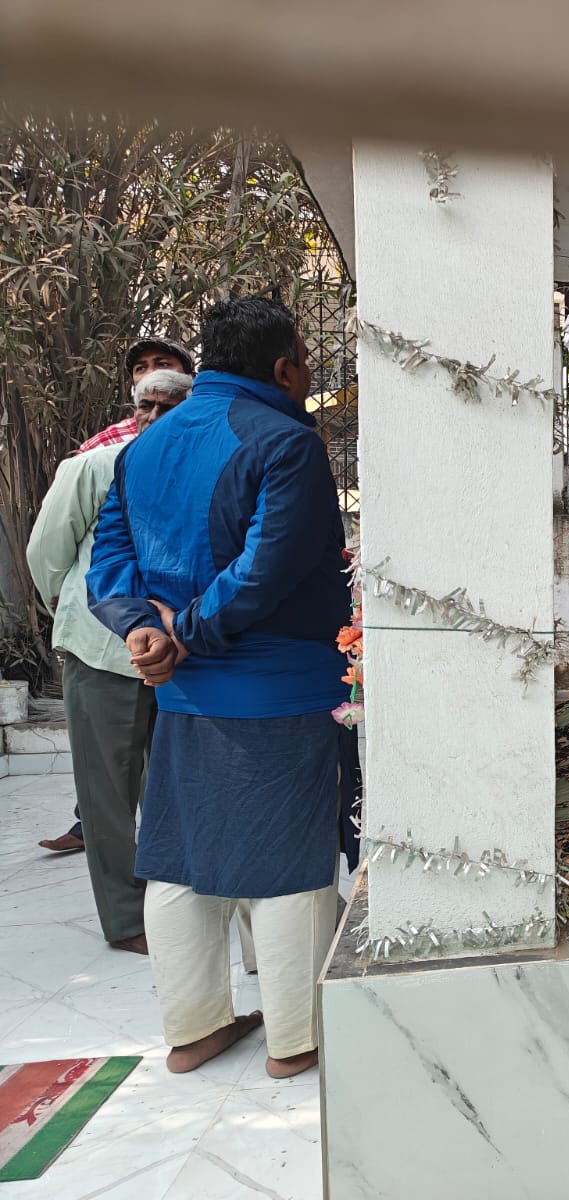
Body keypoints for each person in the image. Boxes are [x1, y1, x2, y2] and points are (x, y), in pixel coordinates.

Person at [88, 295, 350, 1078]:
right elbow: (267, 568)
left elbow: (109, 561)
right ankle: (296, 1041)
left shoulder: (144, 446)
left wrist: (142, 628)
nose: (309, 373)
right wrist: (189, 631)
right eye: (306, 359)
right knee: (291, 864)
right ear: (284, 368)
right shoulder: (287, 442)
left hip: (181, 691)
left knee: (179, 860)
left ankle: (193, 1029)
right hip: (279, 686)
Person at [27, 368, 194, 951]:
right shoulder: (93, 467)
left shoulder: (197, 468)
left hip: (180, 652)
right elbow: (46, 553)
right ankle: (127, 921)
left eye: (170, 407)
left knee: (175, 784)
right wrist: (74, 611)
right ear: (134, 408)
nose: (156, 417)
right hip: (102, 654)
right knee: (106, 796)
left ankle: (182, 906)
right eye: (147, 405)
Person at [78, 336, 196, 453]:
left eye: (163, 364)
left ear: (192, 378)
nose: (150, 374)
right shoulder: (102, 446)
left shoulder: (203, 434)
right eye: (141, 368)